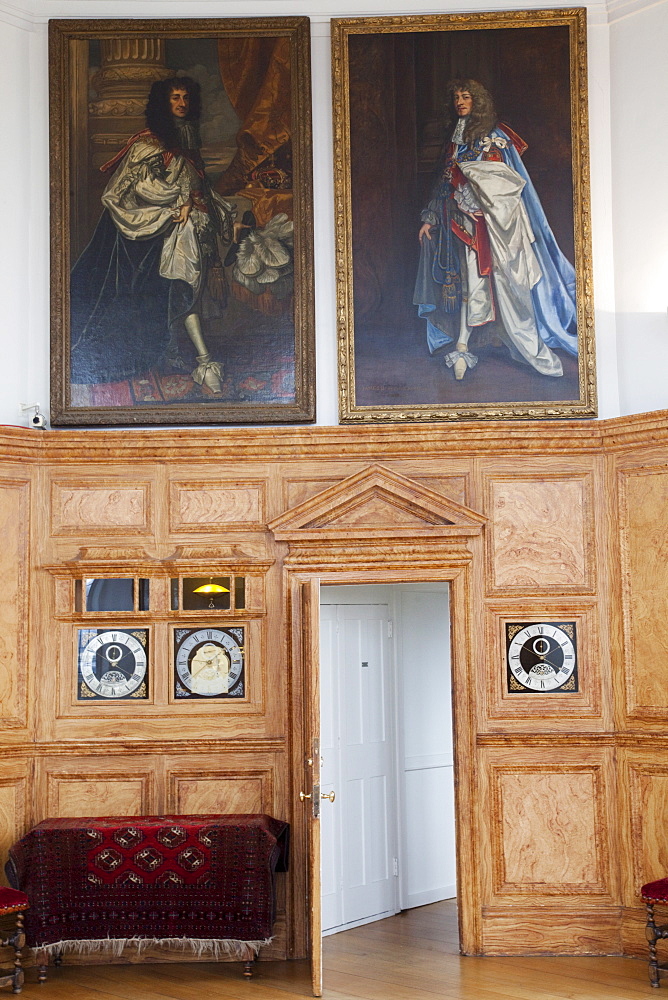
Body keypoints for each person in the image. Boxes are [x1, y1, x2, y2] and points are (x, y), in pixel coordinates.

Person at [70, 76, 234, 394]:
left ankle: (181, 356)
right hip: (145, 232)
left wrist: (199, 206)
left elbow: (197, 184)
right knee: (176, 287)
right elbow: (143, 189)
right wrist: (179, 203)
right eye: (175, 98)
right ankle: (204, 362)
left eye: (186, 97)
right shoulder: (148, 145)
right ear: (164, 103)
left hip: (179, 225)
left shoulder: (184, 141)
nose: (182, 103)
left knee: (181, 288)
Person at [413, 79, 577, 381]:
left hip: (496, 225)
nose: (460, 102)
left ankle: (497, 342)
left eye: (466, 97)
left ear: (478, 101)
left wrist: (475, 189)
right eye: (456, 98)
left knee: (499, 283)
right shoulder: (454, 138)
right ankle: (463, 344)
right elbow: (444, 182)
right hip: (458, 221)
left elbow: (504, 183)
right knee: (462, 282)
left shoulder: (494, 135)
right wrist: (430, 217)